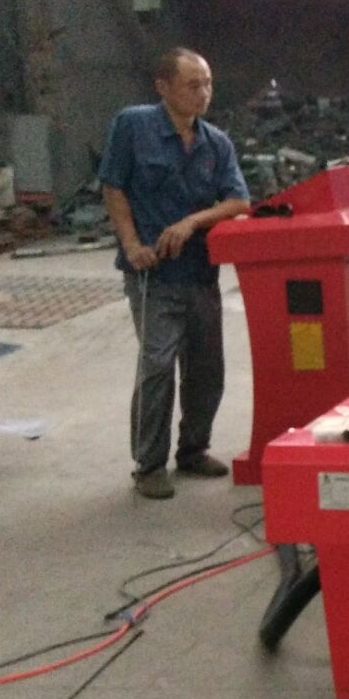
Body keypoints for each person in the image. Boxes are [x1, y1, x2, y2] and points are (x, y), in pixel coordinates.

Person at [99, 48, 251, 500]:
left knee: (207, 368)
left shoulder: (216, 143)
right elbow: (113, 186)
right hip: (153, 275)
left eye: (208, 83)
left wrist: (191, 222)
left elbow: (239, 201)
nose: (203, 93)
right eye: (192, 85)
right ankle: (148, 465)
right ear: (163, 87)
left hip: (200, 272)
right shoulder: (133, 126)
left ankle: (193, 449)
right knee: (158, 365)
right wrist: (131, 245)